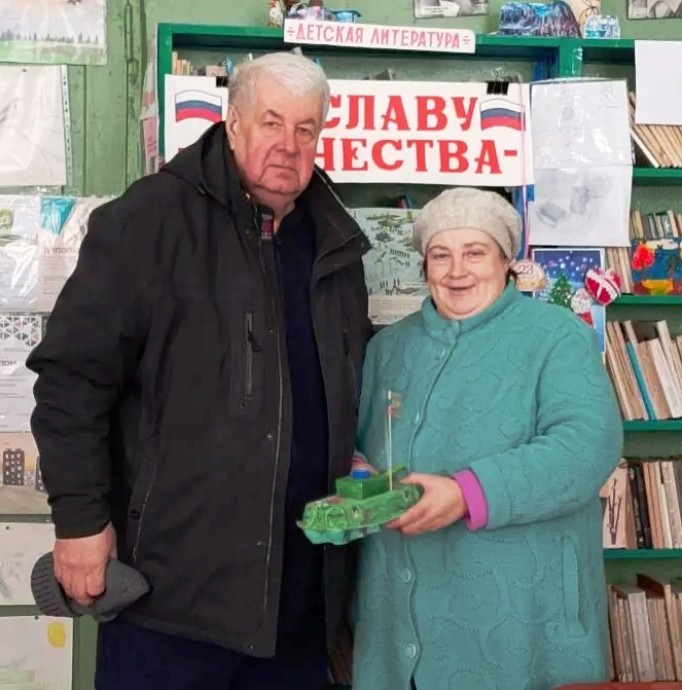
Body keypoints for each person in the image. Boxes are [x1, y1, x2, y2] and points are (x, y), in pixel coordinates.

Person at [26, 51, 372, 690]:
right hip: (173, 600)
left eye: (306, 129)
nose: (289, 145)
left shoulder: (334, 239)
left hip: (300, 599)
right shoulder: (150, 219)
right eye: (271, 123)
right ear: (232, 123)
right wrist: (79, 522)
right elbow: (71, 380)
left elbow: (338, 381)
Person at [351, 187, 623, 690]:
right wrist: (361, 476)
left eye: (474, 252)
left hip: (520, 621)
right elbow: (360, 444)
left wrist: (466, 493)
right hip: (397, 619)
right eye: (440, 255)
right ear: (425, 267)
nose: (457, 271)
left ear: (506, 261)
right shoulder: (387, 347)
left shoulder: (556, 334)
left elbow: (588, 446)